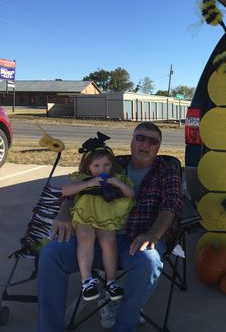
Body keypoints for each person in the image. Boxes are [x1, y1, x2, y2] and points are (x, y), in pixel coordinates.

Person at [36, 122, 184, 332]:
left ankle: (124, 325)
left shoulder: (166, 170)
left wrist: (153, 234)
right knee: (52, 252)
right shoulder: (112, 163)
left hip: (136, 240)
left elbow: (172, 204)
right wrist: (64, 212)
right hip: (94, 236)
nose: (145, 144)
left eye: (153, 141)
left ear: (158, 148)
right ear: (131, 141)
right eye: (140, 138)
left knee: (149, 262)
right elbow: (79, 186)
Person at [62, 132, 135, 302]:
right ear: (88, 167)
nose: (102, 169)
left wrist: (119, 184)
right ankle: (86, 280)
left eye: (106, 165)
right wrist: (86, 184)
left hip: (106, 216)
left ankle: (111, 281)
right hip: (84, 216)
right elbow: (65, 191)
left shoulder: (116, 178)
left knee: (109, 242)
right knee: (85, 238)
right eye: (97, 166)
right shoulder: (82, 178)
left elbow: (131, 194)